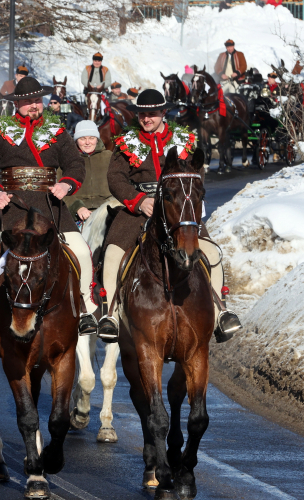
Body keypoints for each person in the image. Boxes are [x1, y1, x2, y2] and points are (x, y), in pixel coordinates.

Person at [0, 77, 98, 335]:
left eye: (37, 100)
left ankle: (87, 307)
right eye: (28, 101)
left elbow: (75, 165)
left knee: (81, 250)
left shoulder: (57, 132)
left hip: (50, 204)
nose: (34, 105)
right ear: (17, 103)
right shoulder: (0, 130)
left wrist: (66, 185)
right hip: (11, 204)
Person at [97, 89, 241, 343]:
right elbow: (115, 178)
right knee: (112, 252)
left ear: (164, 113)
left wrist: (188, 198)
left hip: (177, 210)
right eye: (143, 114)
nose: (147, 118)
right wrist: (139, 201)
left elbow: (197, 173)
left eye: (153, 113)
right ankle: (110, 314)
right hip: (140, 210)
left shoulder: (182, 139)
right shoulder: (126, 142)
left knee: (212, 252)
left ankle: (221, 311)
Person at [65, 121, 112, 222]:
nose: (87, 142)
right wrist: (77, 207)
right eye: (82, 138)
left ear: (97, 139)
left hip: (107, 210)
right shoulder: (68, 159)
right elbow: (60, 189)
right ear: (76, 140)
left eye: (91, 138)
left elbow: (119, 184)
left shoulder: (109, 157)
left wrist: (110, 206)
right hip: (78, 213)